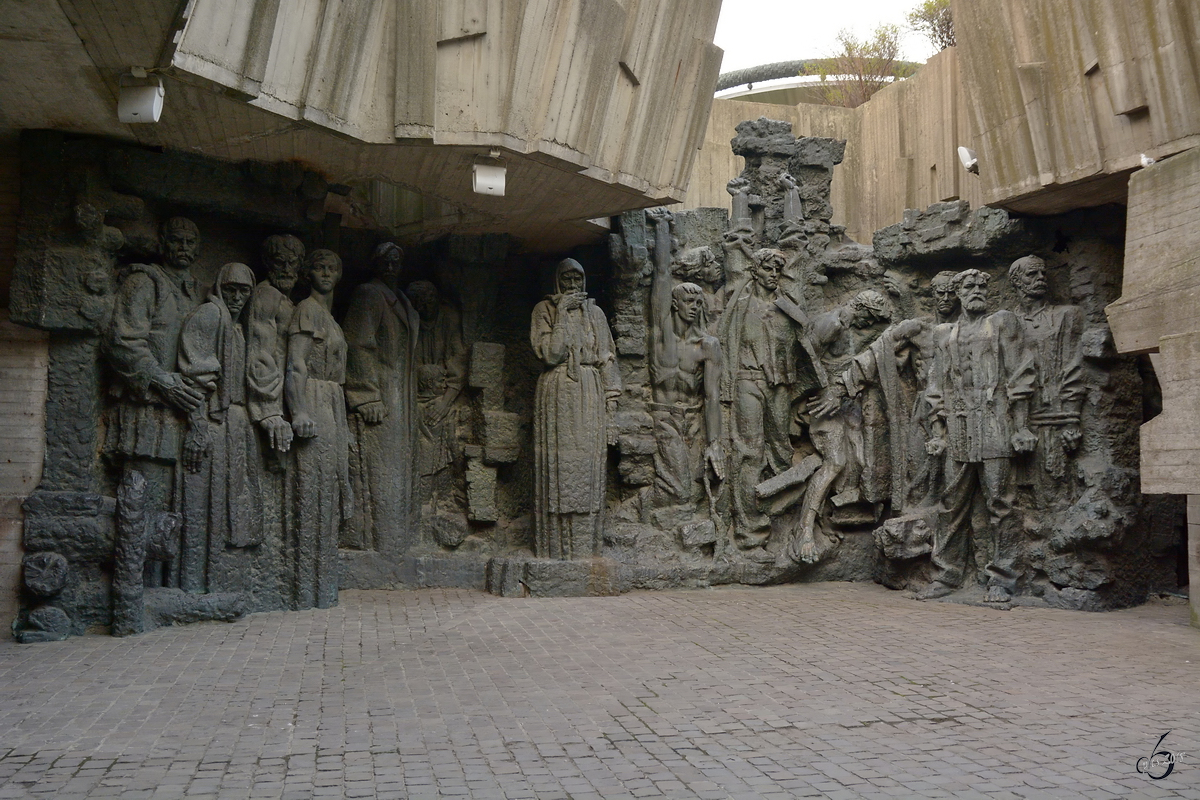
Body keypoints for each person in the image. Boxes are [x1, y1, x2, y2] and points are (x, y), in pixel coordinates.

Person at [920, 269, 1036, 603]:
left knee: (1001, 504)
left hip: (995, 425)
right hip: (958, 429)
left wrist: (1022, 425)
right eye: (969, 286)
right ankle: (947, 574)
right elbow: (935, 386)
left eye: (982, 285)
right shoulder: (944, 333)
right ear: (956, 292)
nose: (976, 290)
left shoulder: (1001, 323)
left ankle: (1003, 579)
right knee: (951, 504)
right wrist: (938, 432)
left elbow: (1020, 375)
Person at [105, 216, 205, 585]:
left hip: (184, 412)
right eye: (176, 240)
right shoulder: (144, 281)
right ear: (162, 243)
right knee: (144, 507)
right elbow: (123, 342)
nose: (183, 248)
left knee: (176, 510)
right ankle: (134, 593)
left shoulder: (196, 292)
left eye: (190, 242)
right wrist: (163, 381)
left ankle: (166, 589)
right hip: (149, 412)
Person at [718, 248, 823, 552]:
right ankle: (749, 531)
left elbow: (804, 342)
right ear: (755, 271)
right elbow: (726, 343)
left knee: (779, 449)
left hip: (780, 385)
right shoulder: (741, 306)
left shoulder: (785, 307)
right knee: (748, 450)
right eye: (767, 268)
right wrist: (726, 387)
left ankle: (780, 515)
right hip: (746, 381)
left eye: (777, 269)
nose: (773, 274)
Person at [786, 290, 894, 563]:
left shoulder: (846, 327)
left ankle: (836, 516)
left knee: (861, 457)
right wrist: (798, 406)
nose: (868, 326)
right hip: (823, 407)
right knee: (835, 463)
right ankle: (804, 531)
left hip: (843, 406)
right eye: (870, 319)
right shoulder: (832, 324)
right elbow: (802, 363)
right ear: (863, 309)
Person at [177, 262, 261, 593]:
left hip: (236, 423)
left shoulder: (240, 327)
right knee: (205, 506)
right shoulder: (210, 315)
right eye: (231, 290)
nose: (238, 297)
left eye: (244, 291)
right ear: (219, 287)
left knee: (235, 504)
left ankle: (226, 582)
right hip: (213, 421)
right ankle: (196, 585)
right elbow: (195, 376)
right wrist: (197, 426)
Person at [530, 259, 621, 560]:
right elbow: (552, 354)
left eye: (577, 280)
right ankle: (555, 549)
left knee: (588, 466)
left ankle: (587, 546)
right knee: (558, 468)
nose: (572, 286)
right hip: (557, 392)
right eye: (566, 280)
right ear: (557, 282)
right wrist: (562, 315)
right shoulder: (544, 311)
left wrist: (611, 407)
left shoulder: (595, 313)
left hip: (589, 391)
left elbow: (608, 359)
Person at [284, 249, 351, 609]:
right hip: (315, 398)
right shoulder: (307, 309)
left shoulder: (328, 315)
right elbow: (295, 363)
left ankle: (321, 585)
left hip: (331, 400)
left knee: (329, 490)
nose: (326, 273)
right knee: (314, 490)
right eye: (319, 267)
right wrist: (299, 411)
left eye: (333, 267)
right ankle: (306, 587)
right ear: (308, 273)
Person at [342, 242, 419, 553]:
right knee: (380, 466)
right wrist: (366, 396)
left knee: (399, 468)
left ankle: (398, 539)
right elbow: (359, 343)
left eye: (396, 261)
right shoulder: (369, 294)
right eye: (385, 261)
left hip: (402, 394)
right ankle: (378, 540)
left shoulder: (400, 300)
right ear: (374, 264)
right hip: (382, 394)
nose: (390, 267)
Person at [646, 208, 724, 510]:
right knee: (680, 490)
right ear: (674, 305)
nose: (693, 307)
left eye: (697, 302)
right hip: (663, 417)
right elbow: (662, 274)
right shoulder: (661, 333)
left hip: (694, 420)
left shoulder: (708, 345)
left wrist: (714, 443)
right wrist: (663, 227)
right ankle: (639, 506)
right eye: (687, 302)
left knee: (694, 488)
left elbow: (713, 397)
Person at [1008, 255, 1085, 505]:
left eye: (1043, 274)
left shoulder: (1067, 316)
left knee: (1058, 492)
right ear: (1016, 282)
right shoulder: (1006, 322)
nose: (1041, 278)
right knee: (1022, 495)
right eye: (1032, 274)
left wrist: (1072, 419)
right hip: (1020, 421)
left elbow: (1074, 366)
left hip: (1057, 418)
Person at [407, 280, 467, 513]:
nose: (425, 306)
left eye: (429, 299)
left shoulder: (448, 319)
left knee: (446, 440)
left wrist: (444, 402)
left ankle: (444, 495)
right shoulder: (410, 324)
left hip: (444, 397)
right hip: (415, 398)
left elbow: (459, 363)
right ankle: (421, 496)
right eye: (418, 303)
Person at [247, 234, 304, 460]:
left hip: (286, 400)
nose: (287, 269)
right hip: (272, 402)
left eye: (293, 263)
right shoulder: (267, 294)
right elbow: (259, 352)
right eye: (280, 262)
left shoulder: (286, 299)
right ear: (268, 263)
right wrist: (269, 412)